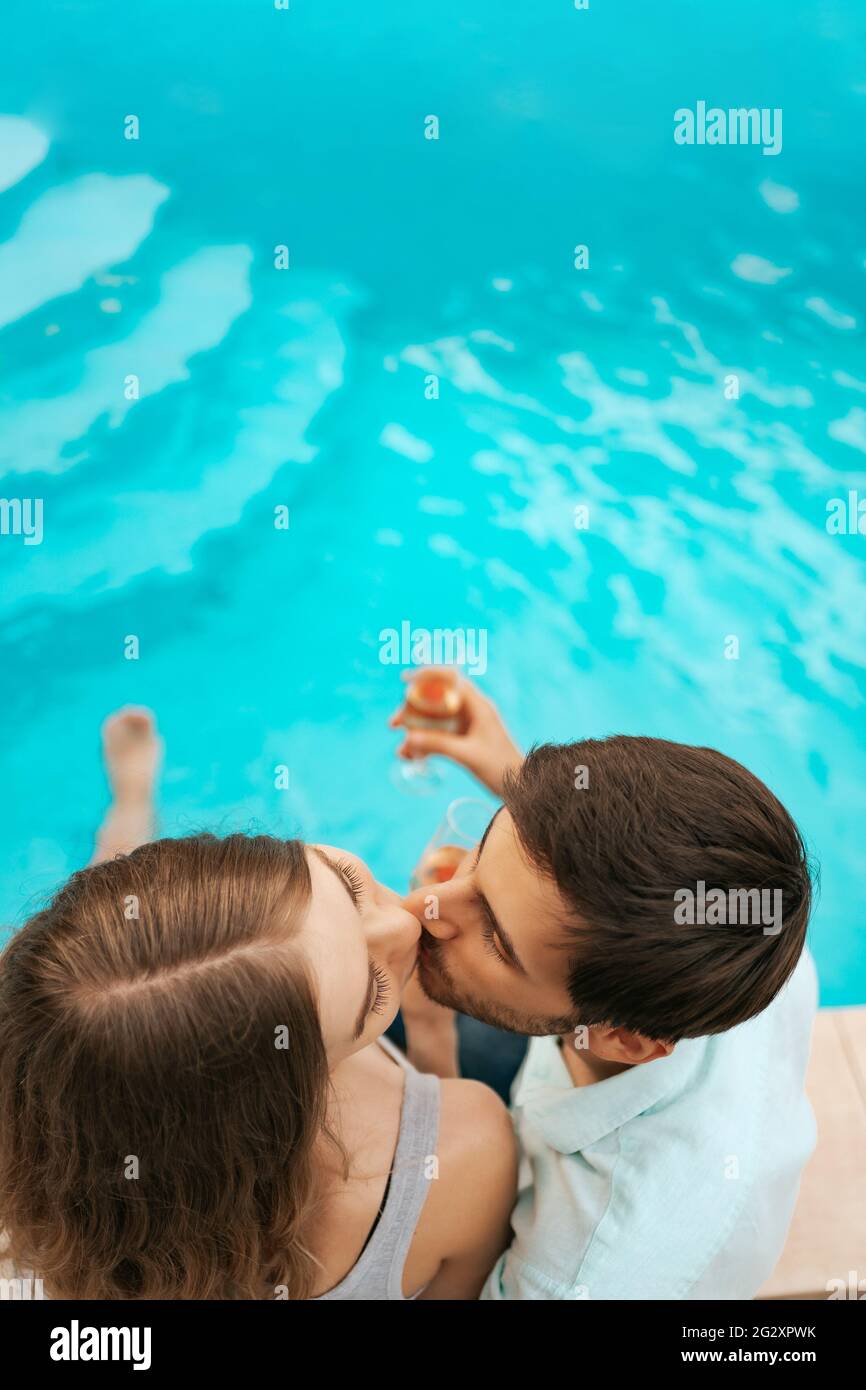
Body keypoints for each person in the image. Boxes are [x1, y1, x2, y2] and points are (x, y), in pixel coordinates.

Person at [0, 708, 517, 1301]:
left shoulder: (30, 1025)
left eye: (348, 886)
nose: (405, 921)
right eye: (373, 993)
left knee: (111, 963)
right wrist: (430, 1032)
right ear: (276, 1096)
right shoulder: (467, 1149)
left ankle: (129, 819)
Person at [391, 672, 818, 1300]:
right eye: (480, 855)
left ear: (623, 1039)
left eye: (497, 939)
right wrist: (512, 773)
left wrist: (431, 1041)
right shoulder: (748, 922)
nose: (427, 903)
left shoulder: (575, 1273)